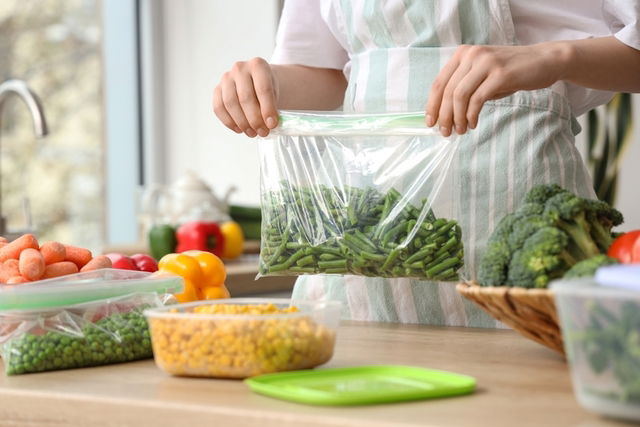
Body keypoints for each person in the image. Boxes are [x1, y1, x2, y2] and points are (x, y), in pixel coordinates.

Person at [213, 0, 640, 326]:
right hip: (359, 257)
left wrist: (554, 58)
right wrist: (264, 83)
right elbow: (328, 75)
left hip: (519, 223)